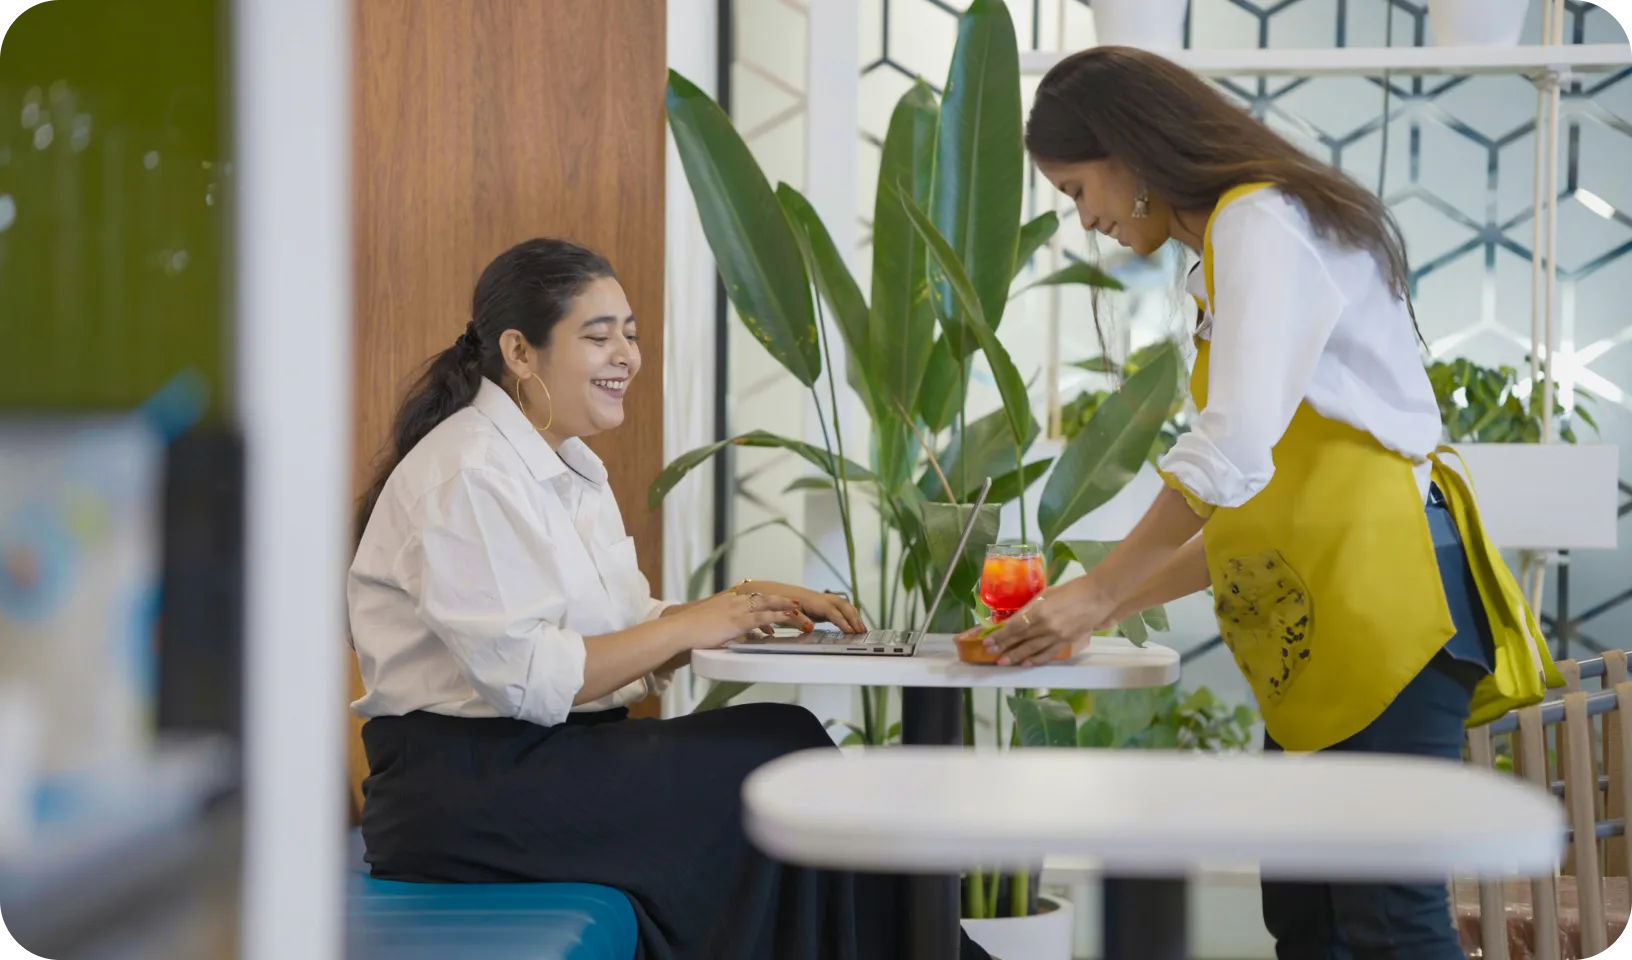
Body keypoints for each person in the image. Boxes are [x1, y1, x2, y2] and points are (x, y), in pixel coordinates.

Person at [971, 47, 1558, 960]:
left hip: (1389, 601)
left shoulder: (1261, 223)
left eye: (1077, 188)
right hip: (1335, 604)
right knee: (1309, 920)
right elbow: (1259, 505)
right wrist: (1099, 607)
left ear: (1130, 152)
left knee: (1389, 923)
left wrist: (1099, 592)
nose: (1084, 218)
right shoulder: (1229, 247)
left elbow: (1231, 451)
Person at [349, 237, 990, 960]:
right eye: (599, 336)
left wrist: (744, 605)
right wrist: (700, 622)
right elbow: (532, 676)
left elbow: (622, 630)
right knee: (780, 757)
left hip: (539, 762)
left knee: (786, 740)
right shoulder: (468, 472)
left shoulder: (566, 467)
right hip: (465, 795)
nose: (626, 355)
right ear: (520, 353)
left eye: (630, 334)